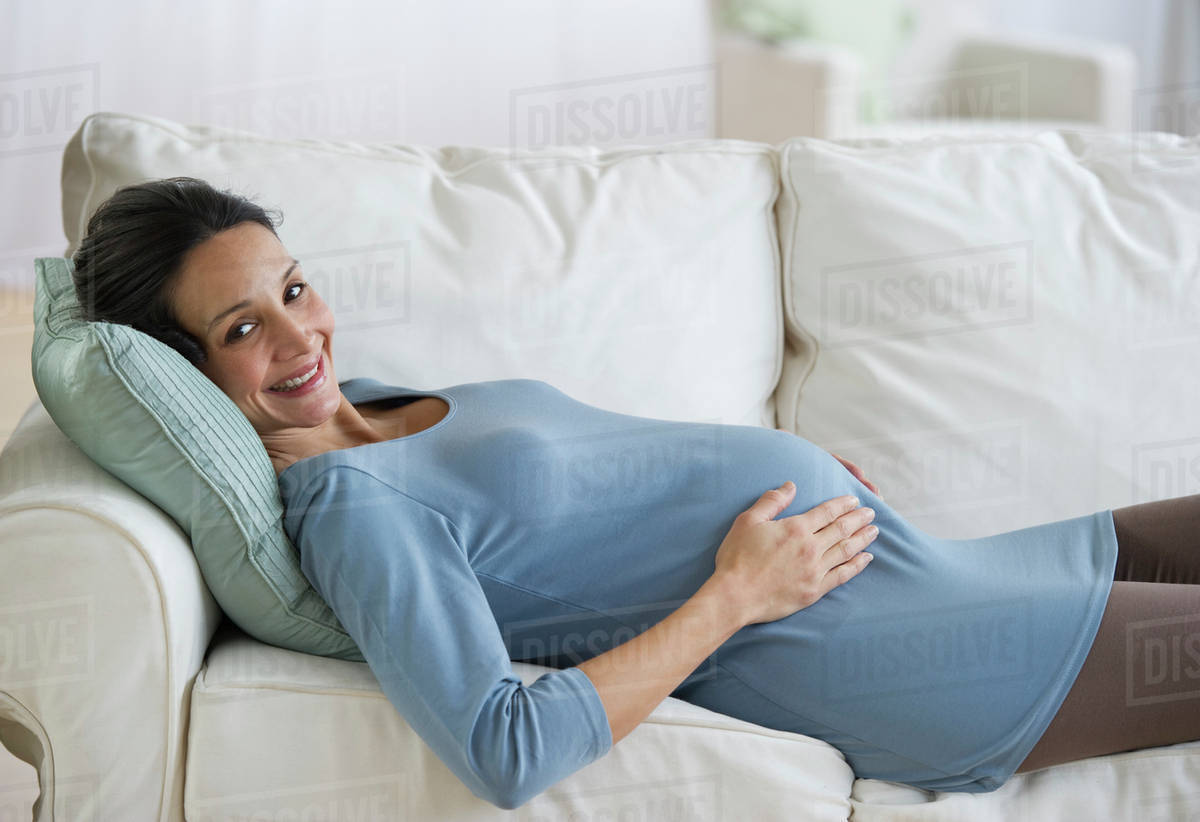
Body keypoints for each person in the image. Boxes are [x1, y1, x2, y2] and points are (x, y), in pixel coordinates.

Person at [70, 176, 1200, 810]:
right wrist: (735, 594)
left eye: (294, 289)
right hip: (931, 661)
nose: (296, 336)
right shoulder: (353, 511)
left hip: (944, 566)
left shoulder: (367, 398)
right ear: (183, 369)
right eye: (240, 328)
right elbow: (502, 750)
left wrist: (782, 483)